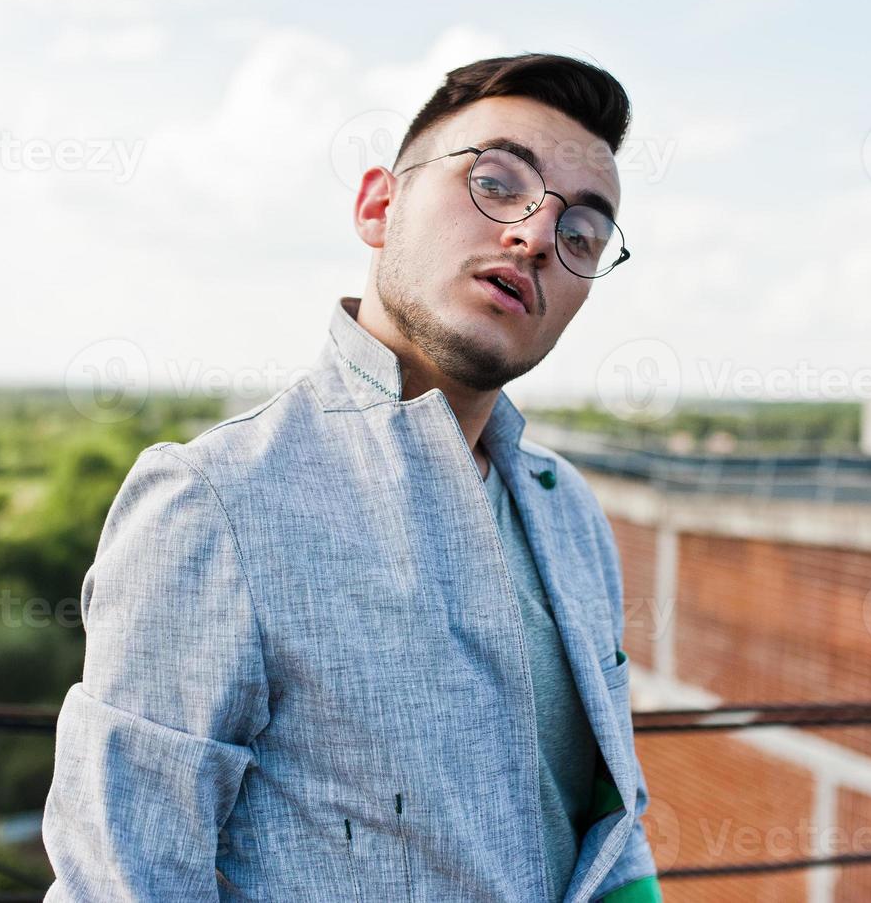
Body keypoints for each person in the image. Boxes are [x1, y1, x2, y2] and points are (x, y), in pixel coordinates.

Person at [41, 52, 661, 902]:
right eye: (495, 181)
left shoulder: (567, 510)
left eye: (581, 233)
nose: (533, 237)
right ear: (378, 205)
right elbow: (122, 884)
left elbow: (605, 826)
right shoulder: (217, 500)